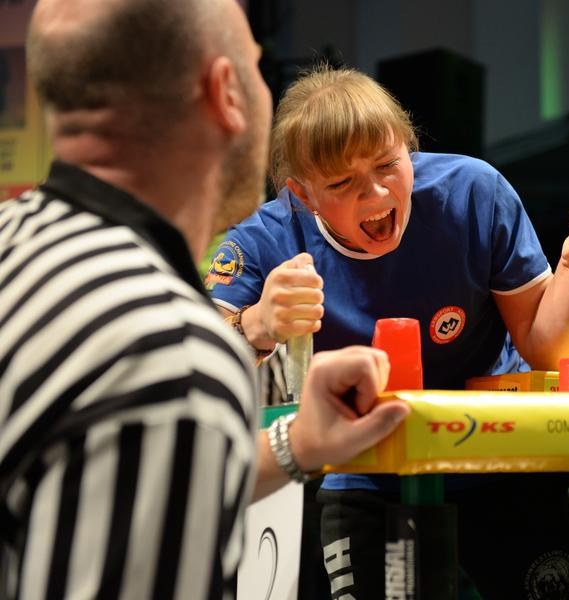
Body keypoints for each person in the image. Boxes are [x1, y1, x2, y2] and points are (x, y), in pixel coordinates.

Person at [0, 1, 407, 598]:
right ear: (226, 93)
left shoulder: (13, 244)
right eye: (257, 65)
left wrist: (296, 444)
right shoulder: (168, 347)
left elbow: (109, 477)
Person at [205, 65, 569, 598]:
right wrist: (256, 323)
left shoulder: (474, 192)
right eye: (341, 183)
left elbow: (545, 350)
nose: (375, 193)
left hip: (498, 451)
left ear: (407, 146)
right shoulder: (265, 239)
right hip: (365, 466)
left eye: (388, 164)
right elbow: (198, 360)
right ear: (303, 194)